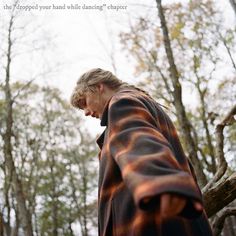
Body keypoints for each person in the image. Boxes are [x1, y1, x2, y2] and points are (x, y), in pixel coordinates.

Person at [70, 68, 213, 236]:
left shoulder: (122, 102)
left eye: (85, 102)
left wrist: (163, 182)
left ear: (99, 87)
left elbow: (140, 141)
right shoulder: (142, 103)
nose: (86, 112)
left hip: (152, 223)